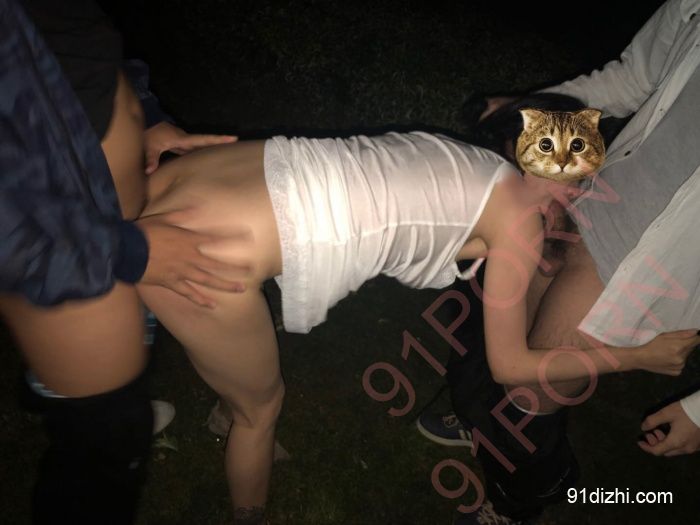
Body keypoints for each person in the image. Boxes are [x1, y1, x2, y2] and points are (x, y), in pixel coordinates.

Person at [134, 124, 698, 523]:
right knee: (261, 411)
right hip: (202, 256)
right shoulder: (521, 224)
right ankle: (246, 496)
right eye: (583, 186)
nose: (583, 201)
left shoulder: (478, 163)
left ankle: (226, 400)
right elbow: (510, 367)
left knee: (234, 375)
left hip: (189, 179)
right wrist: (636, 356)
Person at [419, 0, 700, 522]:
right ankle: (484, 422)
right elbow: (632, 78)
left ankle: (522, 497)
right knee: (496, 334)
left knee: (529, 390)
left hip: (652, 269)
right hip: (587, 198)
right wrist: (531, 112)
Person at [0, 1, 242, 523]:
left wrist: (143, 114)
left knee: (132, 338)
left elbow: (76, 37)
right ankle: (74, 400)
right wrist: (133, 252)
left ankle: (56, 389)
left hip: (96, 228)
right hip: (68, 250)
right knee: (104, 452)